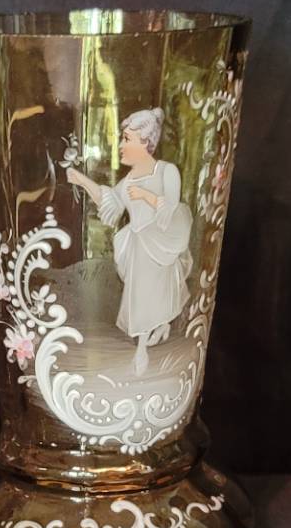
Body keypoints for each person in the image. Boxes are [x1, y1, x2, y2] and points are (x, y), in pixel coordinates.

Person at [64, 108, 195, 374]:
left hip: (160, 242)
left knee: (156, 293)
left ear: (145, 142)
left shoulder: (166, 171)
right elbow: (110, 202)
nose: (121, 146)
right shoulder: (128, 182)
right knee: (140, 296)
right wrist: (82, 181)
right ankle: (145, 344)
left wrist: (146, 196)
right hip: (139, 247)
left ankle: (148, 343)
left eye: (127, 139)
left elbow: (171, 208)